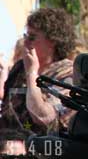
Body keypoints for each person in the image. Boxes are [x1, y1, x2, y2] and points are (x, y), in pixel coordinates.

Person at [0, 8, 77, 149]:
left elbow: (44, 117)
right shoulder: (19, 69)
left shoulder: (68, 75)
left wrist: (32, 73)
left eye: (32, 37)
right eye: (25, 36)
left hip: (44, 151)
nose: (26, 43)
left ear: (53, 40)